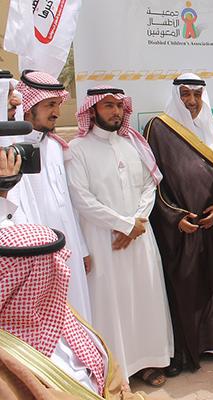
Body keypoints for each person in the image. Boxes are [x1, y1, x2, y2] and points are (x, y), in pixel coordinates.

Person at [66, 86, 173, 386]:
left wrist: (137, 222)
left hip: (140, 237)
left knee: (144, 298)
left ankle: (149, 362)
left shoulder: (133, 143)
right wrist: (124, 224)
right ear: (92, 110)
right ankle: (116, 370)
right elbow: (81, 199)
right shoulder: (77, 149)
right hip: (105, 242)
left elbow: (149, 186)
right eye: (108, 106)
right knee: (112, 304)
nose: (115, 111)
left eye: (119, 106)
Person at [145, 73, 213, 376]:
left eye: (197, 94)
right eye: (185, 94)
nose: (191, 101)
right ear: (176, 95)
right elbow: (153, 182)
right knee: (186, 287)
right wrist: (175, 217)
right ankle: (186, 350)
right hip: (180, 227)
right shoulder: (158, 128)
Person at [0, 224, 152, 399]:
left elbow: (110, 380)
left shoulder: (59, 312)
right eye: (53, 265)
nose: (63, 271)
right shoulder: (7, 359)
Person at [15, 70, 93, 323]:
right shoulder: (12, 151)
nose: (57, 112)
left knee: (77, 313)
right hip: (36, 257)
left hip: (69, 250)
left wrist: (81, 248)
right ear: (28, 107)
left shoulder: (56, 147)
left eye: (58, 104)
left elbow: (68, 205)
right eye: (50, 105)